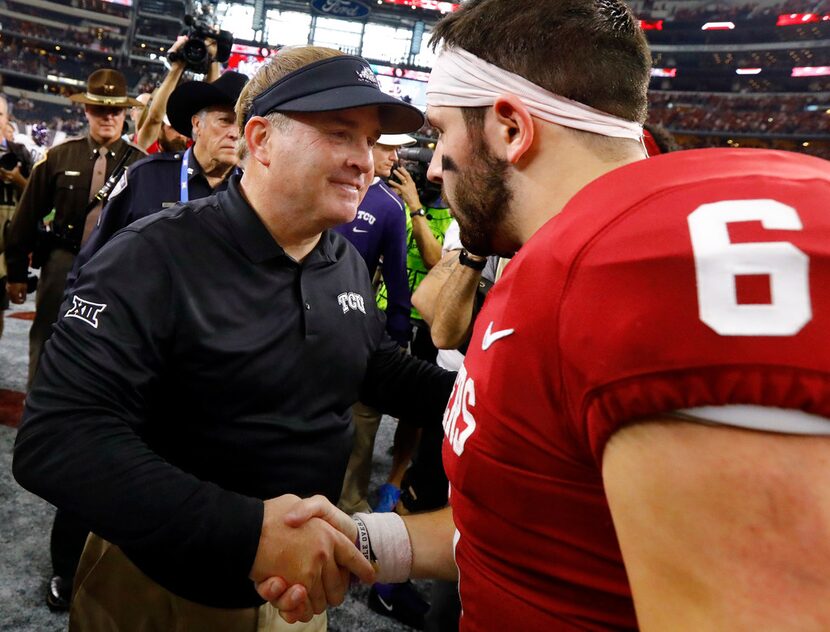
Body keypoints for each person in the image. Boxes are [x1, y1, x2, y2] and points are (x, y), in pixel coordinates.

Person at [260, 1, 830, 630]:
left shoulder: (633, 267)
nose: (432, 165)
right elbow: (538, 523)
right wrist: (366, 543)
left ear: (510, 129)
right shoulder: (558, 258)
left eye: (443, 133)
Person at [13, 46, 454, 631]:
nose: (365, 162)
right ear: (263, 139)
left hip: (294, 599)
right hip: (157, 592)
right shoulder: (151, 256)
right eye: (341, 133)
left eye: (370, 141)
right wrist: (249, 534)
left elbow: (368, 360)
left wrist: (482, 402)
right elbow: (56, 440)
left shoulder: (342, 261)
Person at [3, 70, 146, 611]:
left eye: (113, 110)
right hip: (63, 261)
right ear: (85, 111)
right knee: (48, 340)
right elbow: (24, 217)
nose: (106, 117)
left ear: (125, 113)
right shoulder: (57, 157)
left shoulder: (141, 164)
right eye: (97, 109)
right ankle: (46, 422)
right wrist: (16, 267)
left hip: (117, 269)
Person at [68, 71, 248, 290]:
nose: (234, 133)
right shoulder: (146, 176)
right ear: (197, 124)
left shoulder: (251, 193)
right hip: (142, 311)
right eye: (225, 121)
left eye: (242, 125)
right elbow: (98, 252)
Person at [0, 94, 33, 339]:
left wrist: (18, 180)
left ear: (7, 118)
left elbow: (36, 197)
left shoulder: (20, 153)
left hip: (4, 249)